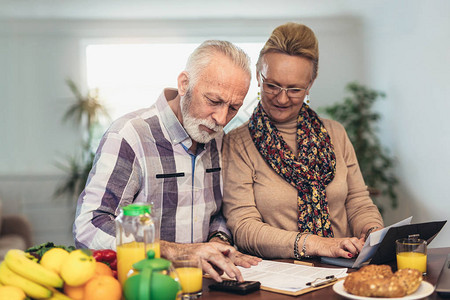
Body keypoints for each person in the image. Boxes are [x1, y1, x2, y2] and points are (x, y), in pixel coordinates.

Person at [73, 40, 261, 282]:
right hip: (141, 287)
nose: (222, 119)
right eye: (214, 101)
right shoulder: (129, 135)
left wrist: (218, 241)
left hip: (203, 286)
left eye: (233, 107)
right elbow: (88, 227)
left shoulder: (218, 138)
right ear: (184, 84)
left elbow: (218, 213)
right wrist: (175, 251)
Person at [222, 22, 384, 260]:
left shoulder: (336, 134)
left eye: (295, 89)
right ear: (258, 75)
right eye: (272, 85)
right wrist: (316, 244)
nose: (282, 98)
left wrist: (372, 231)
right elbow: (244, 228)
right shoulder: (237, 144)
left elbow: (358, 202)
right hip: (279, 280)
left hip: (343, 269)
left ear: (311, 83)